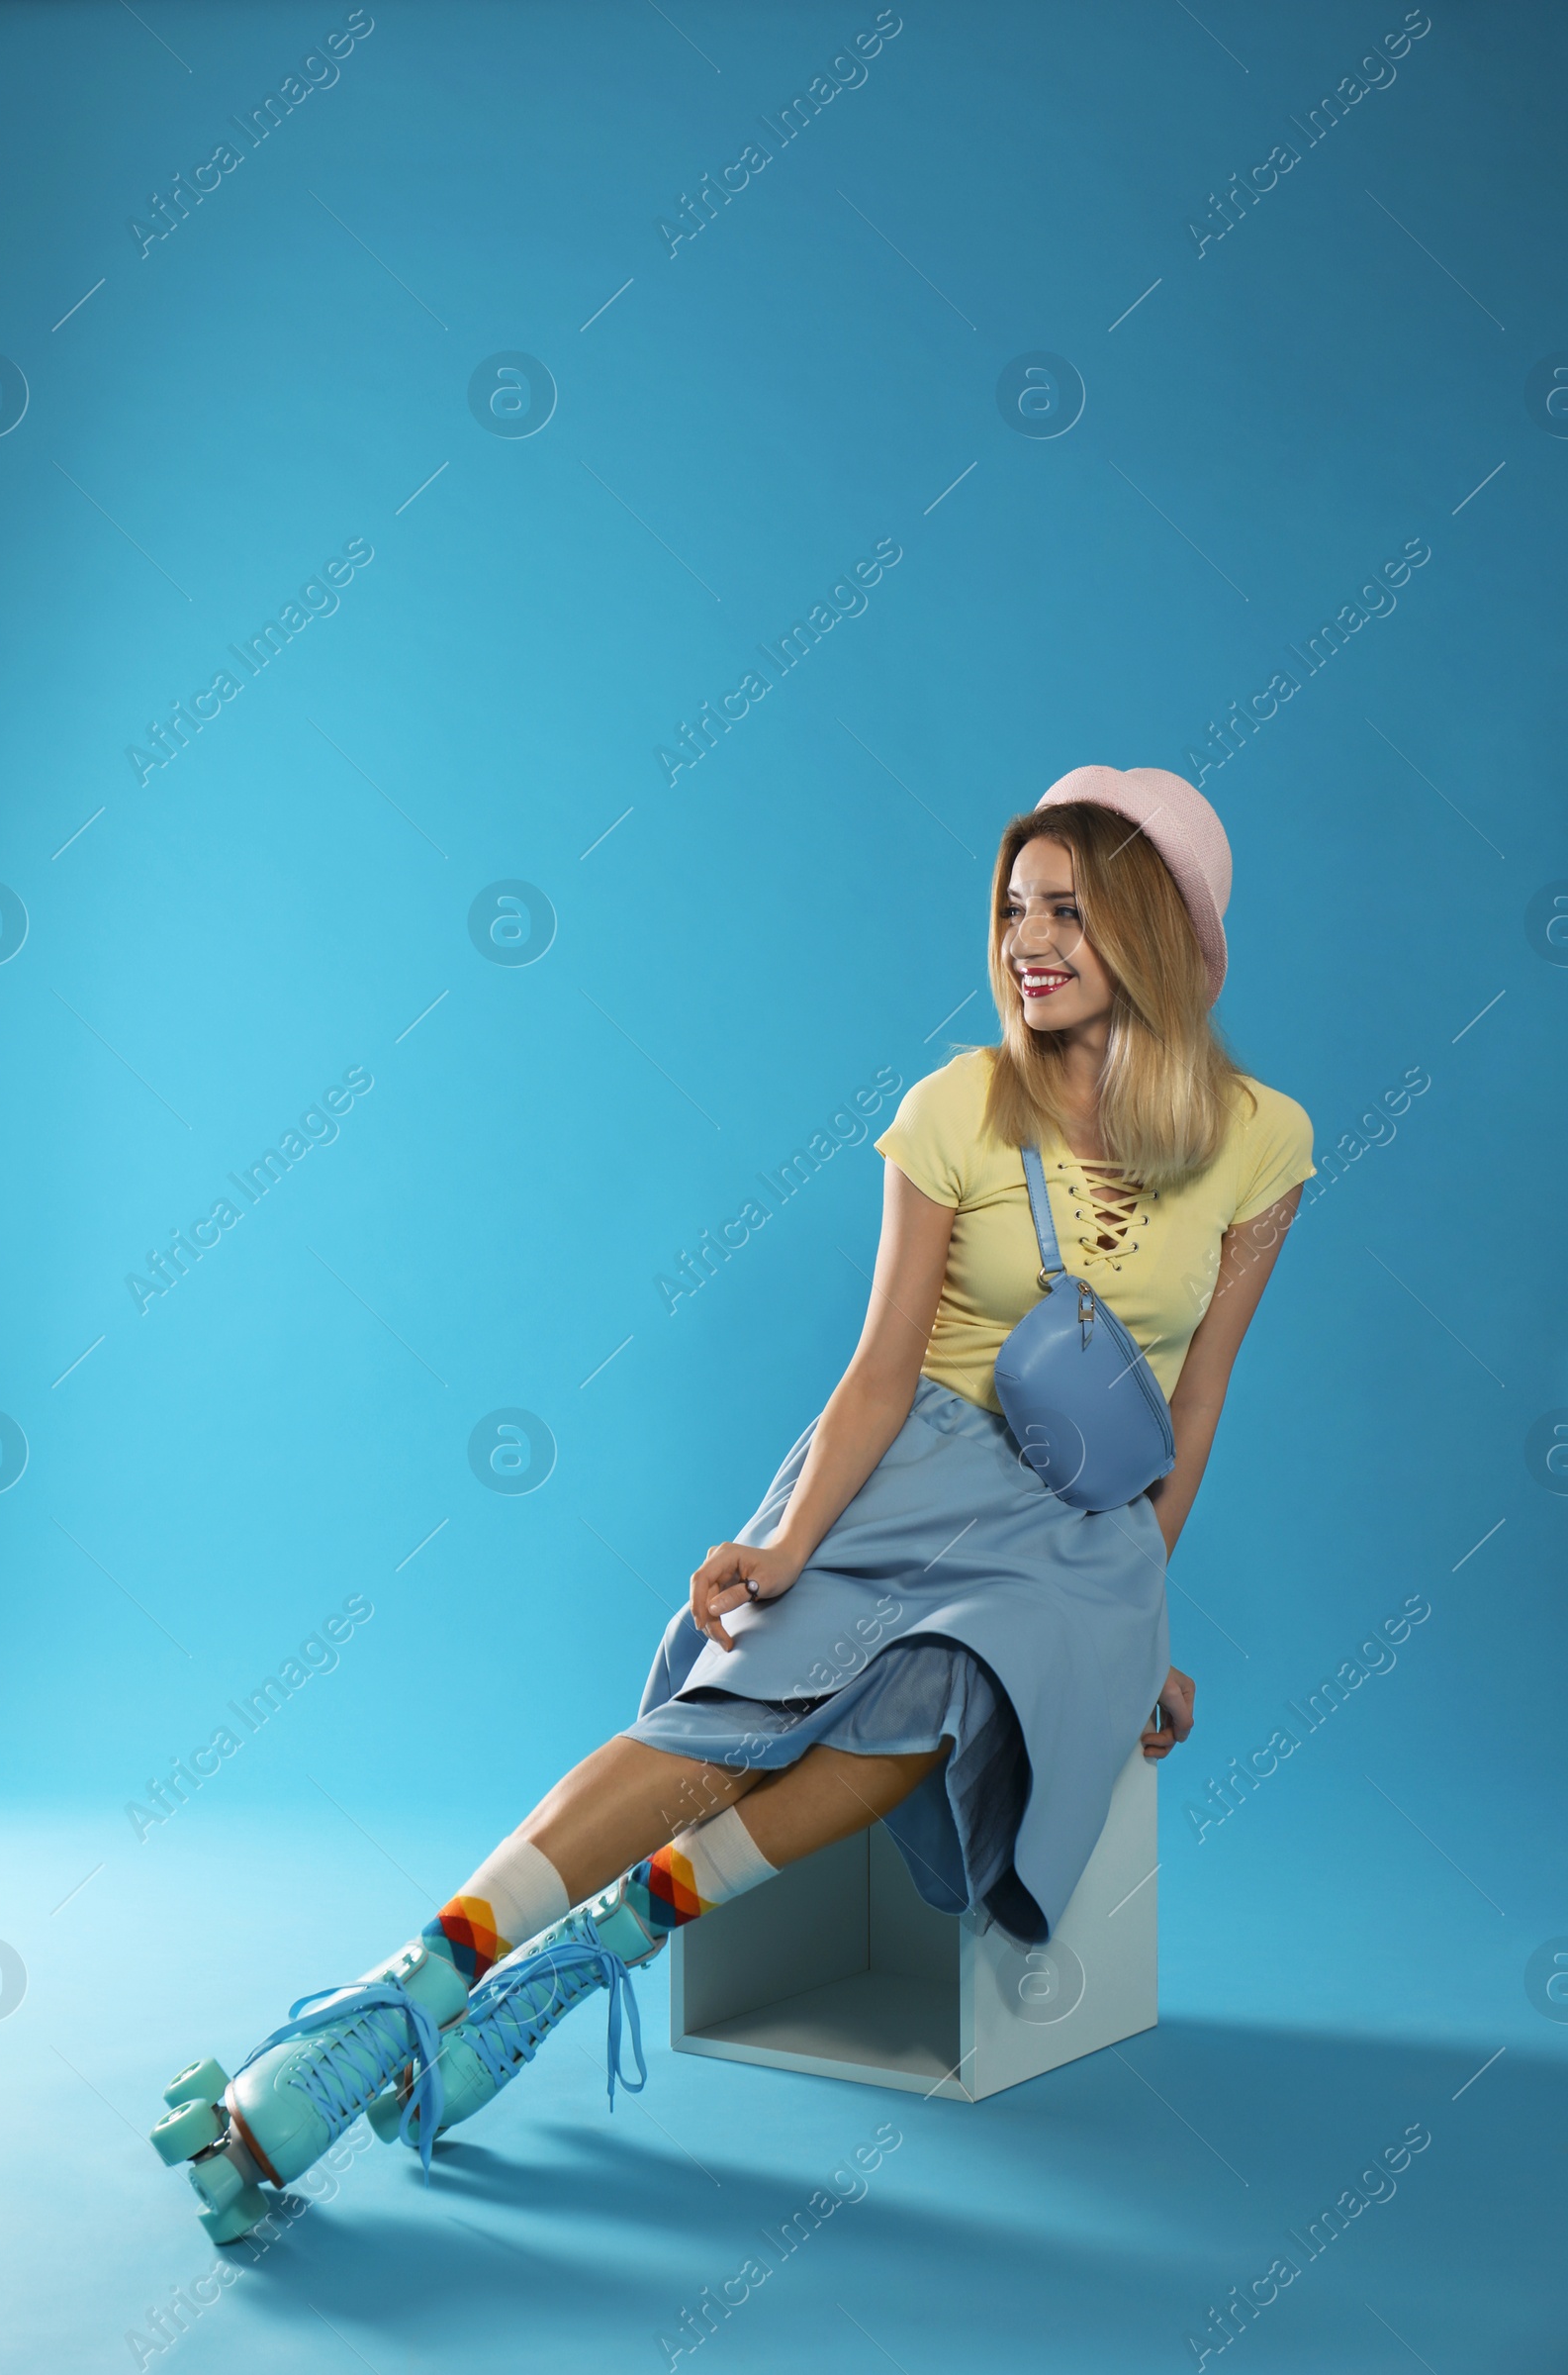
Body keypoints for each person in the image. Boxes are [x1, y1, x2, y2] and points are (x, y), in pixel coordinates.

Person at [149, 764, 1315, 2242]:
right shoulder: (956, 1104)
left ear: (1153, 927)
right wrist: (787, 1543)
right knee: (728, 1706)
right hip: (913, 1468)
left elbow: (1194, 1405)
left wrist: (1136, 1614)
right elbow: (880, 1370)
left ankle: (596, 1956)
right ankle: (405, 1997)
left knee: (945, 1696)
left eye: (1070, 912)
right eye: (1014, 906)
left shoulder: (1266, 1141)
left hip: (1073, 1536)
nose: (1029, 940)